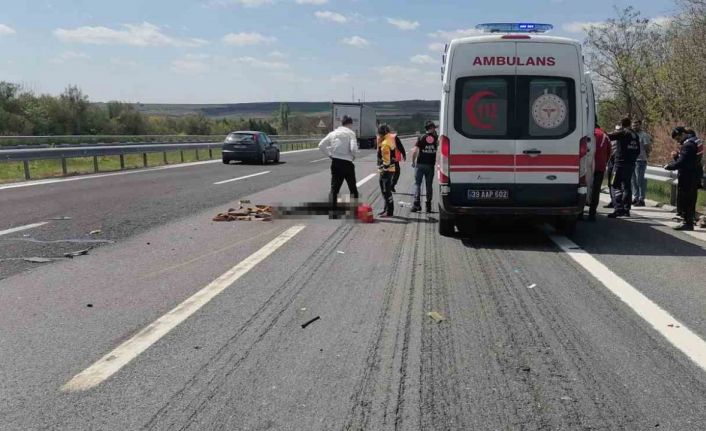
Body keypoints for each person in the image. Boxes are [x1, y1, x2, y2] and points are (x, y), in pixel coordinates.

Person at [318, 115, 359, 218]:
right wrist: (353, 156)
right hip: (347, 163)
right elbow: (353, 148)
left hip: (335, 163)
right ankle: (354, 212)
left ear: (342, 123)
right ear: (350, 124)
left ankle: (333, 213)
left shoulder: (333, 133)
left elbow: (321, 145)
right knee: (352, 188)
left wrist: (330, 155)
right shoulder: (351, 133)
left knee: (334, 188)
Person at [665, 127, 700, 230]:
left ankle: (687, 222)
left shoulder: (688, 145)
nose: (678, 141)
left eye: (677, 138)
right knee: (691, 199)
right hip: (694, 174)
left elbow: (682, 162)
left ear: (681, 134)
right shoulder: (695, 141)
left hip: (687, 176)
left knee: (686, 199)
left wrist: (669, 166)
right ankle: (689, 221)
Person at [607, 117, 641, 218]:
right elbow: (638, 151)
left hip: (619, 164)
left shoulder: (623, 133)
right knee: (627, 186)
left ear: (621, 125)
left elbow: (609, 137)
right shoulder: (635, 135)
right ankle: (626, 209)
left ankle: (618, 208)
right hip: (630, 165)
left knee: (614, 184)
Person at [410, 121, 438, 213]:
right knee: (429, 185)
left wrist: (413, 161)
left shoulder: (421, 137)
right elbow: (438, 149)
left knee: (417, 184)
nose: (435, 129)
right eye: (434, 127)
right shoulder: (436, 138)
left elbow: (414, 151)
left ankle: (416, 204)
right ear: (432, 128)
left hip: (420, 164)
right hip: (430, 165)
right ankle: (428, 206)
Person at [587, 122, 612, 221]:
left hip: (587, 166)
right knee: (596, 191)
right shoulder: (604, 135)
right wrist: (604, 163)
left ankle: (580, 214)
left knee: (584, 188)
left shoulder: (587, 133)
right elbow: (610, 151)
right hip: (599, 167)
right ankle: (592, 214)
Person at [376, 124, 397, 217]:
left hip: (387, 170)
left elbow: (386, 161)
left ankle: (389, 211)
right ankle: (387, 209)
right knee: (387, 191)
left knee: (386, 192)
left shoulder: (385, 144)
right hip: (391, 169)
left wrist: (383, 169)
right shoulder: (390, 139)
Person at [631, 120, 652, 207]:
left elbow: (648, 147)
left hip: (640, 160)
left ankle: (641, 199)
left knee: (640, 180)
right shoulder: (631, 135)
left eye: (636, 125)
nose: (635, 127)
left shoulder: (644, 135)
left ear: (640, 125)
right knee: (633, 181)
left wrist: (646, 155)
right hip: (632, 160)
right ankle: (635, 198)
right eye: (633, 125)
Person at [603, 125, 620, 209]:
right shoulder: (610, 138)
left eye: (619, 130)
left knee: (615, 183)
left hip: (617, 163)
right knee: (610, 183)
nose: (617, 131)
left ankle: (617, 201)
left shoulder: (622, 139)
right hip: (611, 161)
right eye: (616, 130)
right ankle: (612, 200)